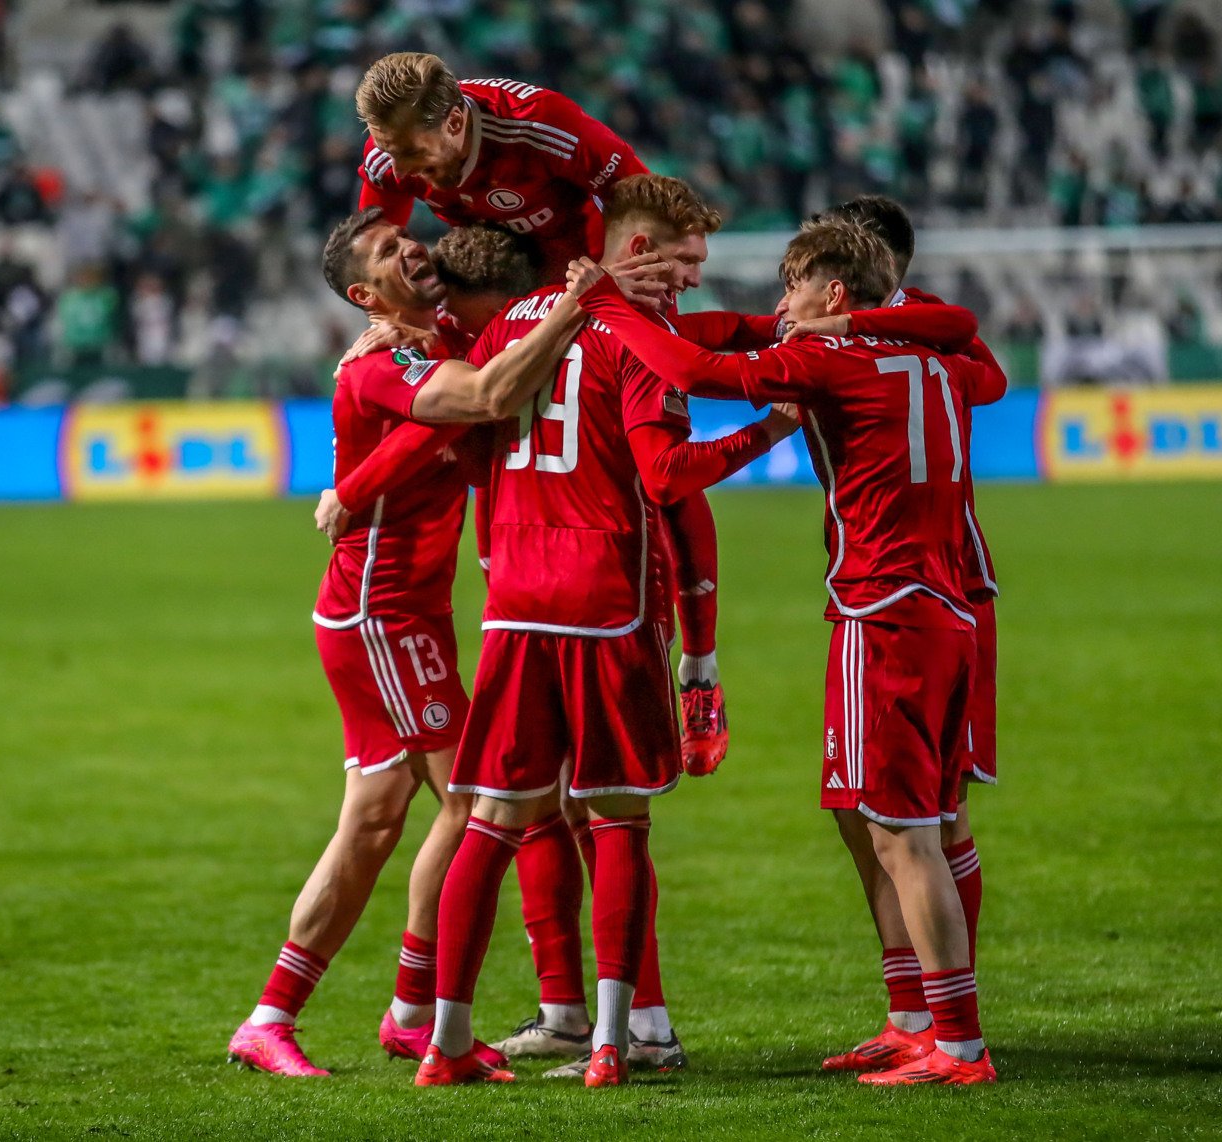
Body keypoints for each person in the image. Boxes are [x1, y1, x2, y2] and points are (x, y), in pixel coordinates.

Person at [574, 217, 1001, 1085]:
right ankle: (917, 1017)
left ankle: (956, 1042)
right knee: (885, 819)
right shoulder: (940, 360)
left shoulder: (828, 358)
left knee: (902, 831)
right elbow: (968, 342)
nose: (781, 306)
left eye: (793, 288)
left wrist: (605, 307)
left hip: (882, 605)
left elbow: (697, 371)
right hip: (950, 605)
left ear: (834, 293)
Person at [397, 196, 804, 1091]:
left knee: (492, 823)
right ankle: (617, 1042)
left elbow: (467, 416)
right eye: (688, 259)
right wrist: (770, 432)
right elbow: (666, 475)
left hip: (511, 601)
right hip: (603, 604)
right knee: (620, 821)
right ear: (642, 249)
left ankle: (445, 1043)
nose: (693, 277)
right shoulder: (640, 338)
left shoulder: (511, 316)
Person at [226, 206, 634, 1078]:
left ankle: (272, 1017)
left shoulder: (424, 341)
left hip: (394, 614)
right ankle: (415, 1010)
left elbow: (461, 380)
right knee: (479, 801)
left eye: (407, 235)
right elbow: (485, 396)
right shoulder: (380, 365)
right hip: (385, 616)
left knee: (374, 824)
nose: (413, 247)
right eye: (388, 250)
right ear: (366, 293)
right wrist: (569, 310)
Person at [353, 51, 732, 776]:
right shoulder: (386, 156)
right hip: (508, 294)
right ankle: (523, 611)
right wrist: (390, 315)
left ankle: (700, 668)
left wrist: (632, 285)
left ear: (458, 120)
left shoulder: (543, 128)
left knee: (661, 471)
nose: (401, 166)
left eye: (411, 150)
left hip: (604, 283)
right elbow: (371, 246)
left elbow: (647, 201)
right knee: (475, 427)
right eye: (390, 151)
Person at [812, 196, 1005, 1076]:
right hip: (879, 585)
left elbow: (990, 372)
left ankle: (950, 1024)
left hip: (938, 588)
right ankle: (910, 1014)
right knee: (864, 815)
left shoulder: (916, 334)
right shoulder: (867, 343)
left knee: (930, 815)